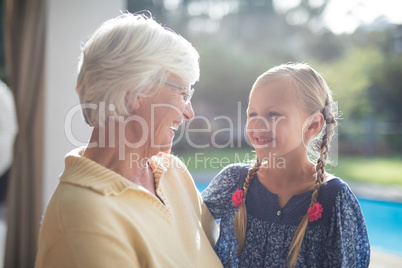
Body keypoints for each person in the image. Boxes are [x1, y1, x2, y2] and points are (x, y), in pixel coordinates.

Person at [36, 12, 222, 268]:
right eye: (182, 93)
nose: (189, 113)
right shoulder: (84, 221)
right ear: (135, 92)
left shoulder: (172, 172)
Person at [202, 63, 370, 267]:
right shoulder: (232, 181)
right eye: (252, 114)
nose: (257, 125)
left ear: (313, 125)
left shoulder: (335, 199)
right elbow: (183, 225)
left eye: (273, 114)